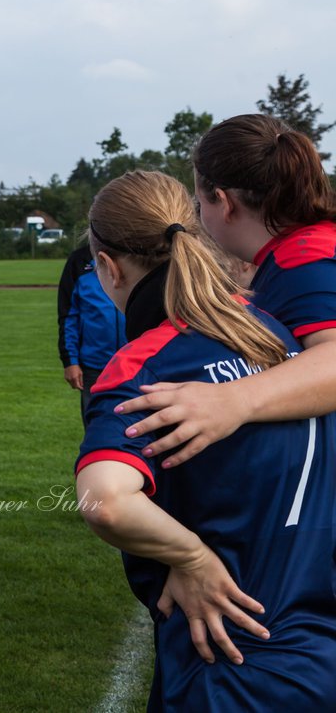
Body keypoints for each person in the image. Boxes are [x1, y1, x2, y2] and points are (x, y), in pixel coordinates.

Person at [75, 170, 336, 708]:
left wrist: (191, 558)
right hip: (320, 652)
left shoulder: (144, 365)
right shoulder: (283, 339)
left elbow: (105, 501)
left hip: (232, 663)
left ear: (107, 265)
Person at [118, 114, 336, 466]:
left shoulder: (304, 260)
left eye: (200, 203)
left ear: (224, 201)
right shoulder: (308, 248)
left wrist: (234, 399)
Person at [57, 243, 126, 423]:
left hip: (135, 363)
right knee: (96, 428)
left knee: (138, 431)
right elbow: (68, 316)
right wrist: (70, 360)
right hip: (94, 367)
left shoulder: (135, 253)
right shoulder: (79, 260)